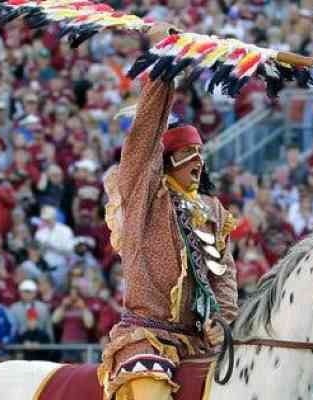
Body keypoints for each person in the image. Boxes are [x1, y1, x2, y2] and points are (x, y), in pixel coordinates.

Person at [98, 22, 239, 400]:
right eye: (187, 156)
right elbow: (144, 136)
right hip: (147, 335)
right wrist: (166, 67)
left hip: (200, 340)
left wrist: (222, 319)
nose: (197, 164)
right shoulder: (147, 195)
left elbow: (222, 274)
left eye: (201, 156)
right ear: (166, 162)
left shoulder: (212, 210)